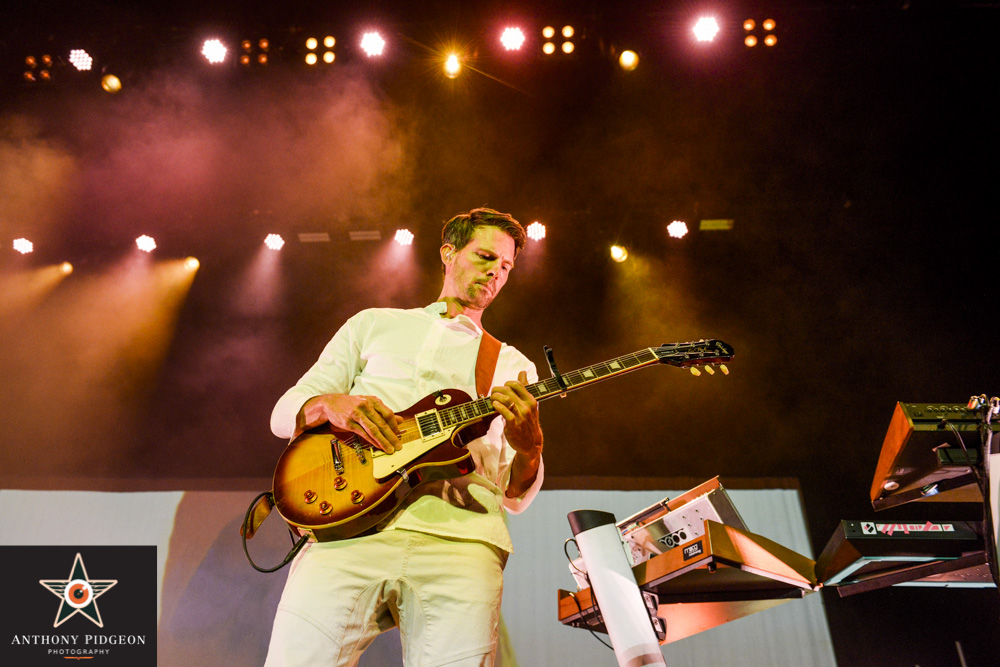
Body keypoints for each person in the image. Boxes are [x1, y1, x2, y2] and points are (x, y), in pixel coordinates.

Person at [264, 207, 545, 667]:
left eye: (507, 266)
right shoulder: (373, 324)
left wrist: (530, 446)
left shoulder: (513, 364)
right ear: (448, 253)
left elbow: (515, 496)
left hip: (461, 541)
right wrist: (332, 403)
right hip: (349, 532)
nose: (496, 271)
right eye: (485, 256)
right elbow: (282, 413)